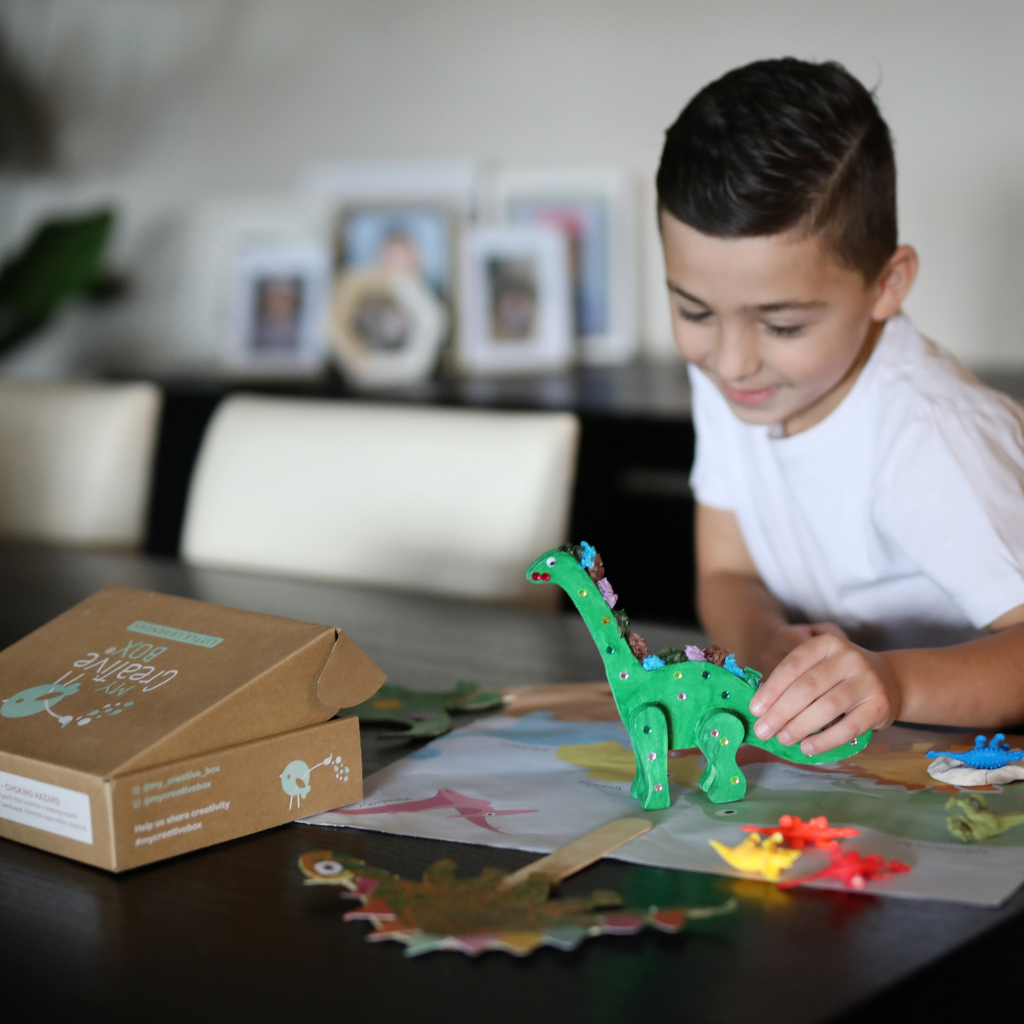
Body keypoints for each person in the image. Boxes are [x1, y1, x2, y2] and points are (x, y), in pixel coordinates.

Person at [656, 58, 1024, 756]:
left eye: (783, 325)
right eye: (694, 310)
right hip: (862, 763)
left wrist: (893, 681)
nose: (733, 361)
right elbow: (726, 571)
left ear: (887, 285)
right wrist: (766, 642)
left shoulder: (932, 436)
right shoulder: (732, 383)